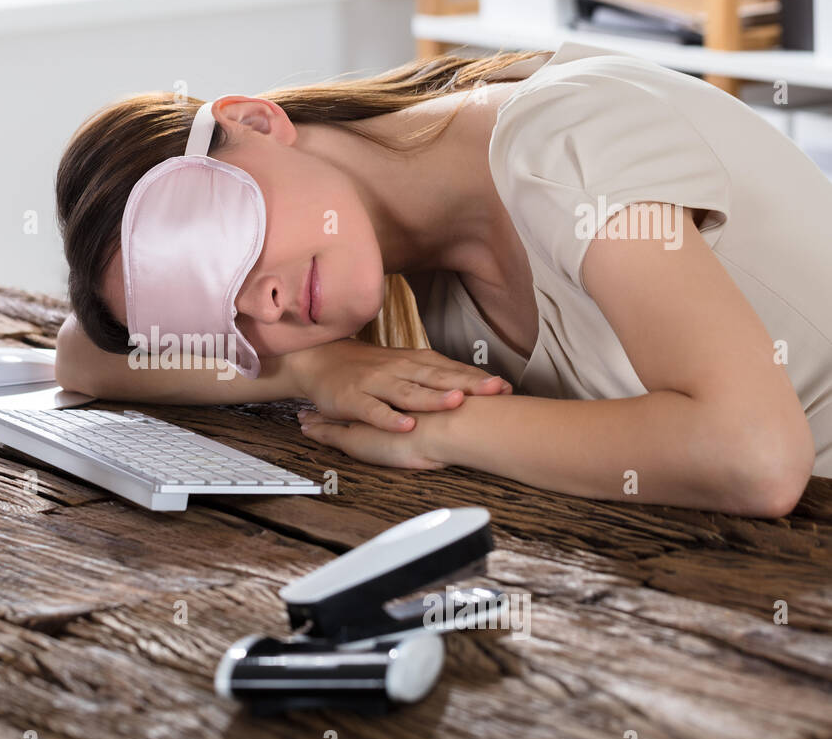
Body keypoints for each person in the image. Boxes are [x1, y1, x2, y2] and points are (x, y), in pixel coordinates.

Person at [53, 41, 832, 517]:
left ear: (258, 122)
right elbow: (83, 355)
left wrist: (440, 428)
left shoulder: (563, 149)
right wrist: (320, 365)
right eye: (222, 322)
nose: (264, 304)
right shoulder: (384, 269)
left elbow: (754, 460)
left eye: (221, 244)